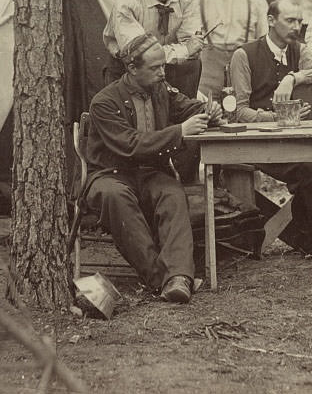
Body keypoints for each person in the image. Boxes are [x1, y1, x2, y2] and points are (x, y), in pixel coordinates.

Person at [86, 34, 218, 304]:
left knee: (171, 193)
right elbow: (130, 144)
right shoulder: (104, 102)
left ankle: (180, 277)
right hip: (110, 175)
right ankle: (161, 279)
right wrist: (180, 131)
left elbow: (187, 107)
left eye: (163, 66)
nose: (163, 72)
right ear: (132, 69)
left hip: (148, 173)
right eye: (155, 67)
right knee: (116, 197)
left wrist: (207, 110)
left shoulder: (161, 90)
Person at [229, 0, 312, 262]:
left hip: (292, 140)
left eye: (300, 21)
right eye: (290, 20)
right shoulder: (244, 55)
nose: (296, 26)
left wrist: (293, 77)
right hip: (258, 143)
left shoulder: (298, 51)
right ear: (271, 21)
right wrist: (278, 117)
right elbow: (239, 111)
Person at [103, 0, 205, 98]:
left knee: (192, 64)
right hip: (130, 68)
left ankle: (185, 114)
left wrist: (189, 49)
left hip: (169, 66)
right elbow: (140, 54)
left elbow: (192, 45)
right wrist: (185, 51)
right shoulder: (127, 2)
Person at [195, 0, 269, 99]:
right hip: (208, 77)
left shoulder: (256, 0)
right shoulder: (198, 1)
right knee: (207, 116)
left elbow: (265, 44)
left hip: (246, 72)